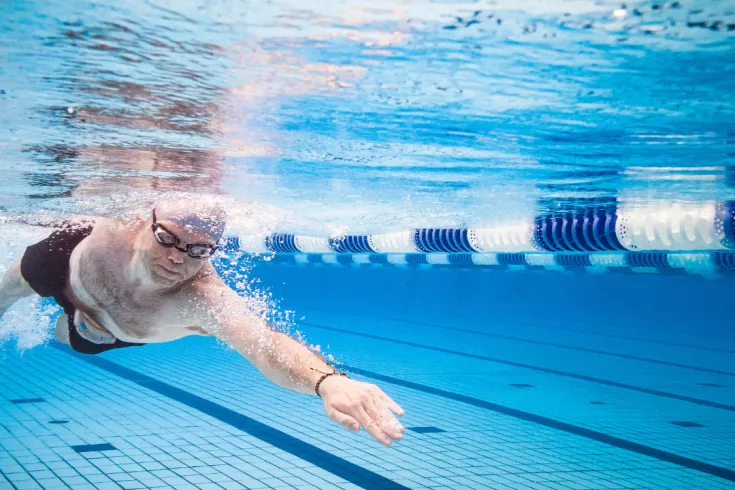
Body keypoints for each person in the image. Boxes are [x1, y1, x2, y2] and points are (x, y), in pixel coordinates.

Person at [0, 202, 405, 446]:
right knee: (11, 284)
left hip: (102, 334)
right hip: (72, 271)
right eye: (167, 238)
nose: (178, 258)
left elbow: (262, 343)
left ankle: (69, 323)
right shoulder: (109, 225)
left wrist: (328, 382)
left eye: (198, 249)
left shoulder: (204, 298)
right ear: (145, 218)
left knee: (68, 336)